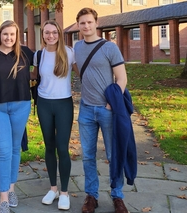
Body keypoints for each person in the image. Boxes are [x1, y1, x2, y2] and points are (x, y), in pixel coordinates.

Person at [74, 8, 129, 213]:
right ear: (78, 25)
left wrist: (112, 103)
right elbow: (77, 70)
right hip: (86, 109)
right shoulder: (77, 47)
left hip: (107, 110)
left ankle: (117, 196)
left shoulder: (109, 47)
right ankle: (91, 196)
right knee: (88, 156)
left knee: (113, 154)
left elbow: (122, 78)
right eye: (82, 23)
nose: (86, 26)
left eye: (89, 22)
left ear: (96, 23)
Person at [0, 20, 34, 213]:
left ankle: (12, 188)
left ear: (17, 35)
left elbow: (49, 60)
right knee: (3, 151)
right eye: (5, 34)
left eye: (12, 34)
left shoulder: (25, 52)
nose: (9, 38)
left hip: (21, 105)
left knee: (14, 149)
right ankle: (3, 197)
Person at [30, 20, 79, 210]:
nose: (51, 36)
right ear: (43, 35)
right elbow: (34, 76)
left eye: (54, 32)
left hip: (63, 104)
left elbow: (82, 74)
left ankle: (65, 192)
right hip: (44, 103)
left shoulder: (69, 52)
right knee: (49, 146)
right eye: (47, 33)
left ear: (59, 34)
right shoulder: (38, 55)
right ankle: (53, 189)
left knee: (62, 148)